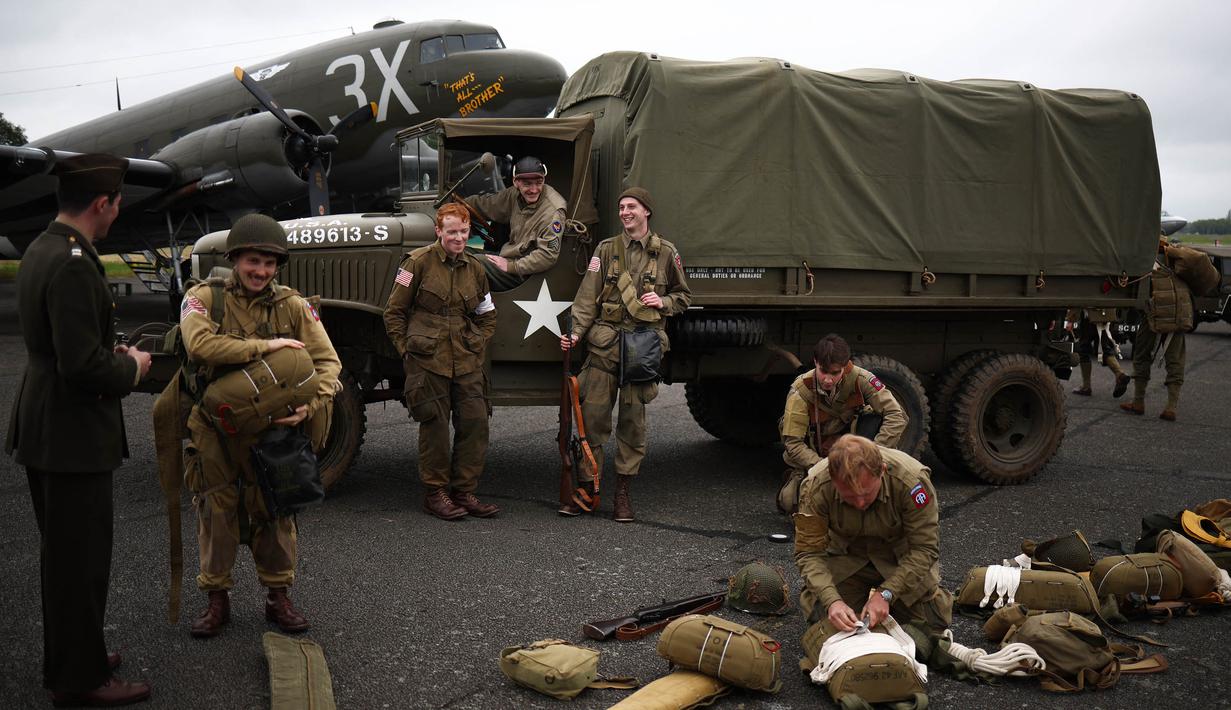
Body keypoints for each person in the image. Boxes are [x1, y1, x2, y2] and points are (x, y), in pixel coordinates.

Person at [5, 153, 153, 706]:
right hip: (70, 436)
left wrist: (99, 351)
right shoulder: (73, 262)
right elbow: (82, 368)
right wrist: (131, 366)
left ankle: (79, 653)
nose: (117, 212)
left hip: (48, 426)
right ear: (102, 203)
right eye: (116, 203)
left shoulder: (45, 248)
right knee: (78, 565)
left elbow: (68, 346)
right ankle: (80, 680)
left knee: (67, 559)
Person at [181, 213, 341, 638]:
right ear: (235, 258)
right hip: (215, 429)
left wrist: (310, 407)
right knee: (216, 510)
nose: (261, 271)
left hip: (273, 431)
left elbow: (328, 363)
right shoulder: (205, 298)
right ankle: (217, 599)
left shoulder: (292, 305)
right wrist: (266, 345)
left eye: (270, 263)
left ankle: (278, 596)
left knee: (274, 511)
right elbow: (198, 345)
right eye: (253, 261)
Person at [558, 187, 691, 522]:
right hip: (604, 346)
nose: (625, 212)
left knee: (633, 427)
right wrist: (575, 333)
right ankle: (588, 488)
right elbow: (587, 299)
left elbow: (683, 296)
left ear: (647, 211)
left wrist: (663, 302)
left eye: (632, 206)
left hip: (643, 349)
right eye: (621, 207)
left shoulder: (666, 253)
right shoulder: (606, 250)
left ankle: (622, 494)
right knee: (592, 422)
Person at [384, 202, 499, 520]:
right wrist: (406, 350)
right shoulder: (416, 263)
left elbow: (487, 314)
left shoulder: (474, 267)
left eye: (464, 231)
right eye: (452, 232)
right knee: (434, 426)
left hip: (465, 358)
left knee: (475, 423)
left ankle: (464, 492)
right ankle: (435, 493)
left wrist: (477, 344)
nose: (459, 238)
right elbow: (394, 312)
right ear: (438, 231)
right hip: (428, 358)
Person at [793, 435, 952, 633]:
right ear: (833, 480)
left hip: (900, 560)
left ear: (882, 471)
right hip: (847, 559)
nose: (859, 504)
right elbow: (809, 553)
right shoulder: (817, 486)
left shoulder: (911, 482)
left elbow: (924, 549)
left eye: (866, 494)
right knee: (828, 629)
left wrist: (886, 593)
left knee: (929, 632)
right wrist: (832, 601)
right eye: (850, 497)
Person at [780, 333, 907, 480]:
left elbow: (896, 415)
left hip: (856, 453)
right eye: (823, 371)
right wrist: (826, 469)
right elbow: (793, 444)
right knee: (790, 499)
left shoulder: (861, 379)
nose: (828, 380)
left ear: (845, 366)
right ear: (815, 362)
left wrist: (872, 456)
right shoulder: (800, 391)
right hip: (815, 459)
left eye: (835, 373)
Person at [465, 155, 566, 290]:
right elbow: (490, 204)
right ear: (515, 182)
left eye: (539, 182)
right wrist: (460, 204)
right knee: (460, 252)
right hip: (508, 258)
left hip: (524, 272)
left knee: (473, 263)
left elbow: (548, 255)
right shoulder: (515, 194)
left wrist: (512, 266)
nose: (534, 189)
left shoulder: (553, 211)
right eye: (527, 184)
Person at [1121, 238, 1189, 421]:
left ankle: (1138, 401)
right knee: (1175, 360)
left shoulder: (1145, 259)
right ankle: (1171, 407)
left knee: (1142, 355)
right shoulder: (1178, 260)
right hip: (1177, 314)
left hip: (1152, 313)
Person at [1065, 308, 1131, 397]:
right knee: (1103, 349)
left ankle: (1086, 386)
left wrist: (1070, 320)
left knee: (1084, 349)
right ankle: (1120, 374)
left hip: (1091, 316)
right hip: (1107, 316)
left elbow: (1081, 296)